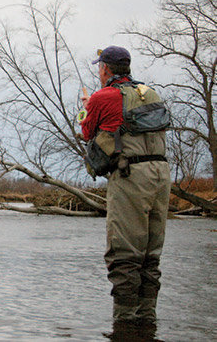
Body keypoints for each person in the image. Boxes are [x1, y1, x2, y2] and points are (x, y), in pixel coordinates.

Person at [79, 46, 171, 325]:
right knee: (150, 255)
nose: (98, 71)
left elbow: (87, 132)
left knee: (125, 255)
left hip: (131, 176)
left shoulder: (102, 96)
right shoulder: (149, 93)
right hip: (161, 174)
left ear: (105, 69)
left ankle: (124, 326)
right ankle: (147, 322)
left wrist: (85, 109)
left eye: (99, 67)